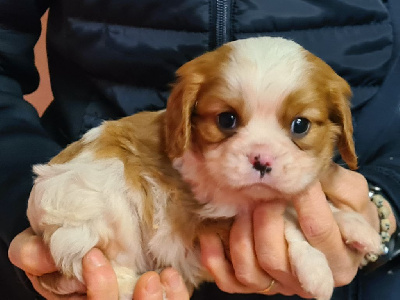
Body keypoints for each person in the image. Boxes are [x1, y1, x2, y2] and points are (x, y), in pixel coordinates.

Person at [1, 0, 399, 299]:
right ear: (185, 118)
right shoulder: (187, 154)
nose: (262, 155)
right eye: (227, 121)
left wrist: (384, 198)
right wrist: (15, 203)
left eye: (298, 126)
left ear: (339, 127)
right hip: (94, 232)